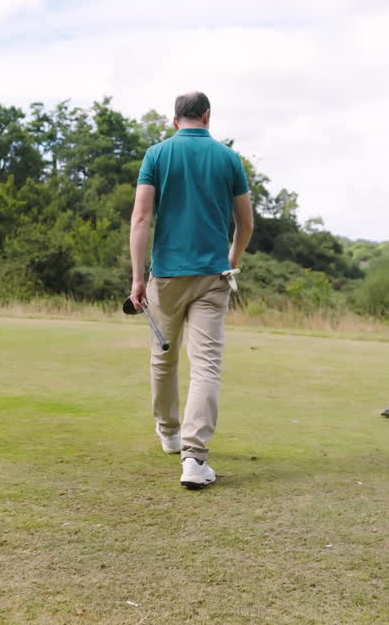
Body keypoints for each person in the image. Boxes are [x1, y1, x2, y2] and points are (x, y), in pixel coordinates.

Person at [129, 91, 254, 490]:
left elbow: (141, 218)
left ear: (174, 120)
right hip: (212, 276)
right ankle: (194, 458)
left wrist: (136, 278)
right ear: (207, 116)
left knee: (163, 358)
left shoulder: (156, 155)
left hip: (165, 276)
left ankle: (168, 432)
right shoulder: (229, 158)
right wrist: (231, 260)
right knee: (206, 366)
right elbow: (245, 223)